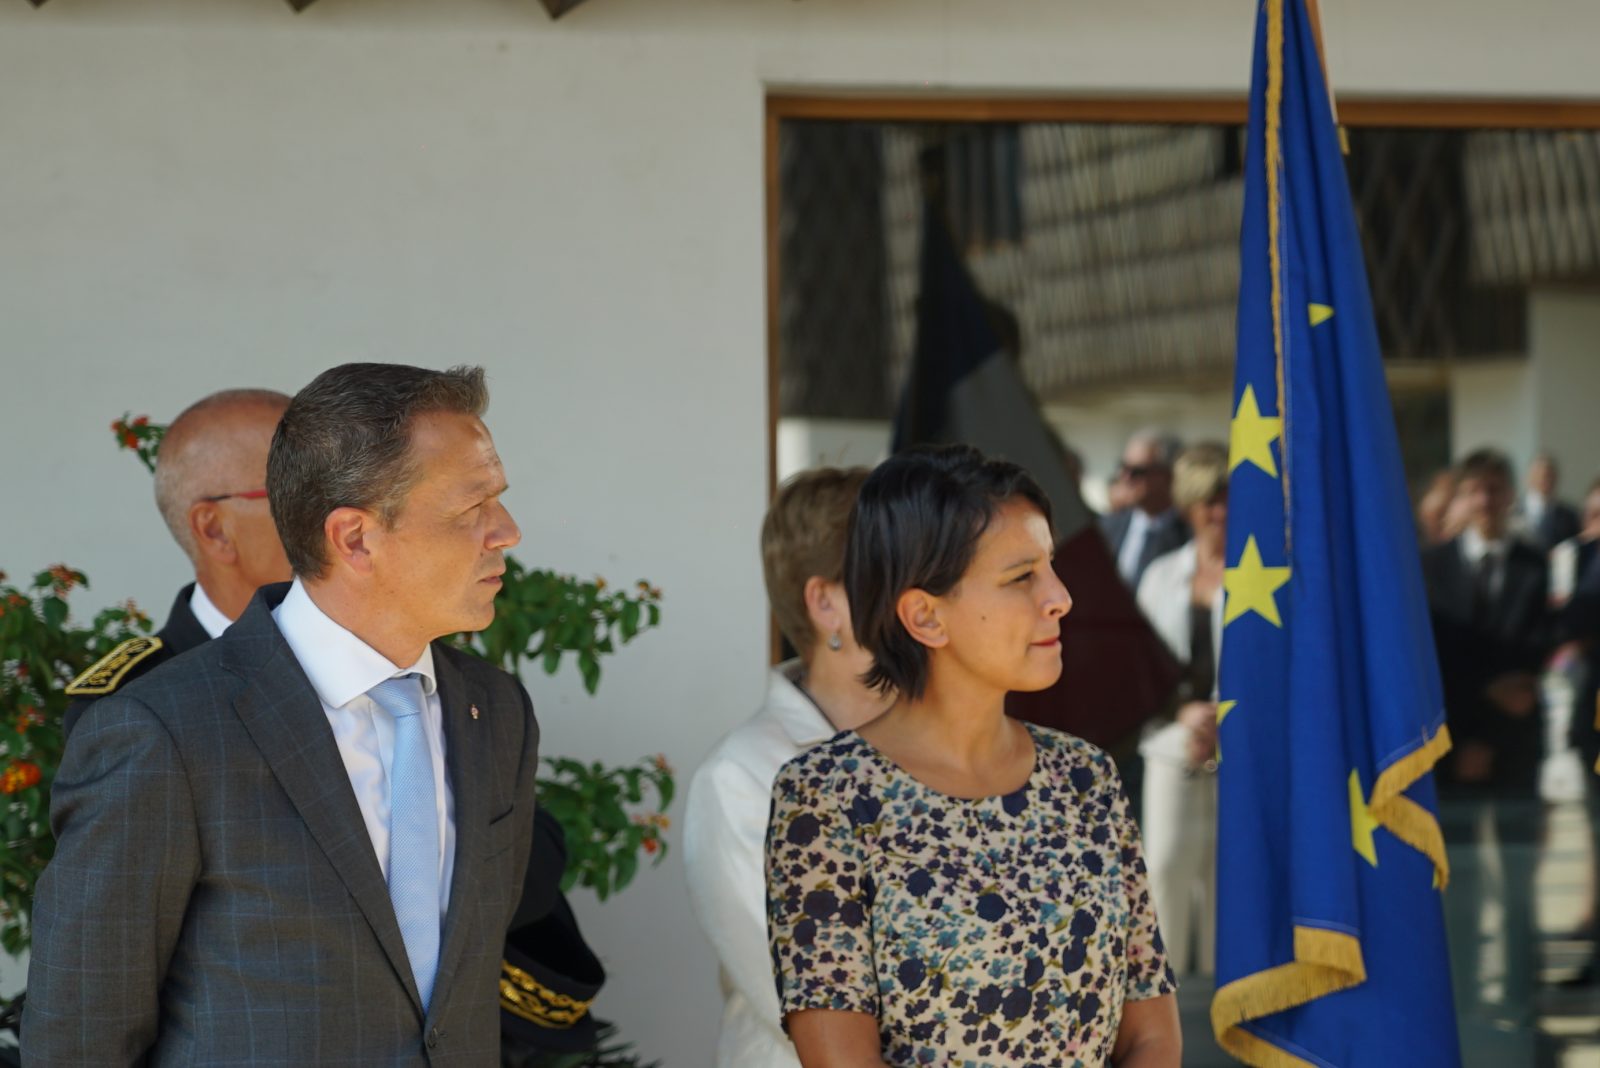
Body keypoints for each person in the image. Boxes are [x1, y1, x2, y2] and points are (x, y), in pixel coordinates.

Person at [25, 363, 539, 1064]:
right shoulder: (162, 734)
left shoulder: (495, 711)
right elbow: (80, 1037)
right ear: (355, 539)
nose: (505, 531)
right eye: (469, 508)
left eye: (498, 501)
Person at [766, 444, 1179, 1067]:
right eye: (1021, 577)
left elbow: (1150, 1029)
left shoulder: (1086, 778)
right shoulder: (828, 799)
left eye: (1050, 566)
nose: (1060, 597)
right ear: (925, 616)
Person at [684, 466, 894, 1068]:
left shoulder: (947, 752)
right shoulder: (743, 778)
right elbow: (804, 1003)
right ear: (827, 602)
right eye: (899, 570)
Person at [62, 388, 292, 736]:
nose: (342, 519)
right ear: (215, 530)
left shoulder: (383, 660)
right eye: (298, 493)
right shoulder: (130, 708)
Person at [1421, 447, 1552, 1028]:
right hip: (1454, 745)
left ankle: (1520, 997)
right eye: (1477, 490)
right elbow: (1439, 657)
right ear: (1463, 498)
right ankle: (1465, 996)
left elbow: (1528, 648)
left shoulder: (1533, 563)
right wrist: (1472, 724)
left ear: (1510, 496)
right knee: (1460, 880)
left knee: (1519, 876)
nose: (1488, 501)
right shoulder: (1435, 565)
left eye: (1497, 490)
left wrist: (1494, 728)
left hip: (1516, 742)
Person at [1134, 442, 1227, 976]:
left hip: (1240, 754)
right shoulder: (1160, 575)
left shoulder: (1264, 576)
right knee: (1165, 870)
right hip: (1170, 748)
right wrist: (1183, 716)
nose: (1219, 514)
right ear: (1190, 507)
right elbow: (1141, 669)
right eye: (1208, 502)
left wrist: (1220, 722)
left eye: (1227, 500)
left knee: (1226, 884)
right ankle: (1161, 1014)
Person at [1101, 430, 1188, 591]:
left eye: (1137, 472)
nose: (1125, 477)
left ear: (1167, 475)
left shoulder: (1188, 535)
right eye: (1123, 467)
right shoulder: (1106, 528)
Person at [1515, 451, 1581, 552]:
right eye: (1539, 474)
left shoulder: (1569, 516)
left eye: (1549, 475)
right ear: (1529, 476)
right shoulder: (1513, 511)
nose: (1544, 479)